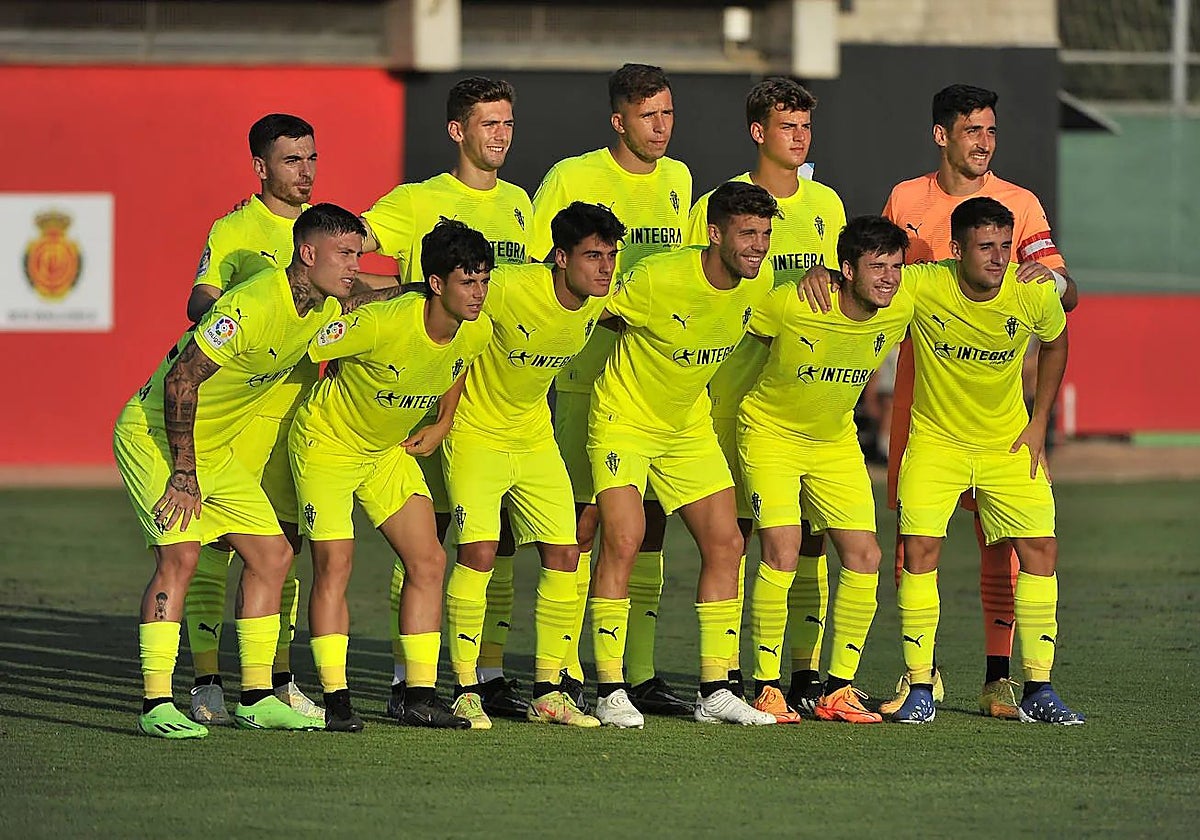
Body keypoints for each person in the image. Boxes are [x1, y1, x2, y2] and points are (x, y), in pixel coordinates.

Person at [114, 203, 380, 738]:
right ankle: (156, 704)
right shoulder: (252, 303)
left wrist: (432, 288)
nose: (356, 265)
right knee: (181, 558)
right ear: (308, 254)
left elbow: (376, 295)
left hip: (212, 449)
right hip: (155, 437)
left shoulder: (325, 304)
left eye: (358, 253)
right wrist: (183, 474)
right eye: (345, 254)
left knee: (273, 554)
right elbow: (181, 380)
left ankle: (257, 698)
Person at [879, 84, 1079, 719]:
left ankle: (1000, 678)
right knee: (913, 544)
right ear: (943, 135)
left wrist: (1051, 279)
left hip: (997, 408)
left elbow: (1066, 295)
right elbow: (879, 276)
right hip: (922, 395)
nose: (984, 142)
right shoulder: (906, 200)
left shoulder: (1019, 204)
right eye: (972, 130)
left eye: (991, 131)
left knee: (1004, 546)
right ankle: (924, 675)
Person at [359, 77, 533, 721]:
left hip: (499, 405)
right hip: (431, 401)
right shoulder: (416, 200)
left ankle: (487, 674)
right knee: (425, 538)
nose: (501, 135)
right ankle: (410, 679)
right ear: (458, 131)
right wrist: (393, 297)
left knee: (498, 543)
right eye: (489, 123)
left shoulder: (520, 204)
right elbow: (350, 251)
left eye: (508, 122)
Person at [530, 63, 693, 716]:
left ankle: (639, 671)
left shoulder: (679, 181)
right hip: (585, 378)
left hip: (654, 387)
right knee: (583, 522)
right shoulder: (571, 178)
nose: (661, 127)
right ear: (617, 120)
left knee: (649, 527)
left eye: (668, 113)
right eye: (648, 115)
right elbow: (541, 267)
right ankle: (564, 668)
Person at [586, 181, 779, 728]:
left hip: (687, 427)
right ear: (714, 233)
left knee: (727, 543)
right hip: (623, 420)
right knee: (624, 540)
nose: (758, 246)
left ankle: (715, 691)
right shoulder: (657, 277)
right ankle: (609, 690)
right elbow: (593, 308)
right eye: (747, 234)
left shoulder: (760, 280)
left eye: (765, 234)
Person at [290, 219, 494, 730]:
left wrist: (443, 421)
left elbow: (458, 364)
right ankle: (337, 701)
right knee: (335, 564)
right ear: (436, 284)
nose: (478, 293)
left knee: (429, 559)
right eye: (467, 282)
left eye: (484, 280)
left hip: (385, 453)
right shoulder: (380, 324)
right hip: (327, 446)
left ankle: (416, 697)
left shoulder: (477, 329)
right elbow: (305, 340)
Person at [685, 76, 846, 711]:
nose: (800, 137)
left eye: (806, 126)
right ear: (759, 133)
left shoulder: (827, 204)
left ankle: (801, 676)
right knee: (736, 538)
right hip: (731, 397)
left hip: (802, 403)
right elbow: (701, 287)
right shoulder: (720, 203)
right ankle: (731, 675)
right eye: (787, 126)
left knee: (808, 539)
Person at [442, 202, 625, 729]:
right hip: (475, 434)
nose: (605, 268)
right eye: (592, 256)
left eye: (610, 256)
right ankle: (466, 690)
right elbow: (448, 308)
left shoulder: (602, 298)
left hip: (534, 437)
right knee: (478, 553)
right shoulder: (510, 287)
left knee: (566, 553)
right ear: (560, 258)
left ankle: (549, 690)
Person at [740, 216, 916, 725]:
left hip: (835, 442)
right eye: (877, 267)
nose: (889, 278)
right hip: (770, 434)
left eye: (896, 267)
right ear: (846, 270)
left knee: (866, 556)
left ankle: (837, 689)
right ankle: (766, 687)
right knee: (783, 549)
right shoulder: (792, 303)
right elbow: (735, 325)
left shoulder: (901, 304)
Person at [181, 113, 324, 725]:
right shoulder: (236, 228)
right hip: (238, 415)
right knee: (216, 545)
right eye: (292, 160)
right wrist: (257, 301)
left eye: (311, 158)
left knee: (284, 547)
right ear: (261, 167)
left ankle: (274, 680)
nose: (306, 171)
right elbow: (199, 300)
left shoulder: (322, 231)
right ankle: (206, 679)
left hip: (293, 412)